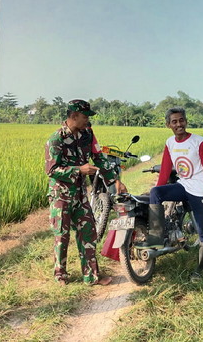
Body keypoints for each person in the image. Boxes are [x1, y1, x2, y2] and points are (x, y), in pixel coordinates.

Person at [44, 99, 127, 286]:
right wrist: (78, 170)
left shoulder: (87, 134)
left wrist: (114, 180)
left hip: (80, 194)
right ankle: (61, 275)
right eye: (84, 117)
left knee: (88, 232)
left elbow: (98, 158)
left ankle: (92, 276)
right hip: (61, 194)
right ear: (73, 116)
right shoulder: (56, 139)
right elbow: (51, 170)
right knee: (61, 234)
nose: (88, 121)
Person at [137, 107, 203, 280]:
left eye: (181, 120)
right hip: (183, 185)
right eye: (174, 121)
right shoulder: (170, 143)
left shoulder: (198, 142)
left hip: (201, 190)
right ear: (168, 125)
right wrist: (157, 190)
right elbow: (165, 169)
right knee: (156, 192)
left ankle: (200, 270)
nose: (179, 124)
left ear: (186, 121)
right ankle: (156, 238)